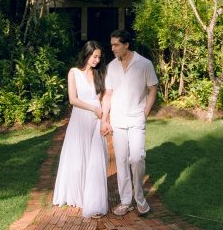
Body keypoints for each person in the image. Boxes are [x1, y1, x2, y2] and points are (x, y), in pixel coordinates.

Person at [101, 29, 158, 217]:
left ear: (126, 44)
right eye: (111, 45)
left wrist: (146, 112)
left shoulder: (144, 64)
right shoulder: (111, 67)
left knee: (137, 158)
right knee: (122, 161)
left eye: (116, 44)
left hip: (136, 119)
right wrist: (105, 119)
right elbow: (108, 95)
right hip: (117, 120)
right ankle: (126, 201)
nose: (112, 48)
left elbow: (152, 89)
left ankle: (140, 199)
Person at [53, 40, 109, 218]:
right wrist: (93, 108)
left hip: (96, 119)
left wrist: (104, 119)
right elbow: (73, 99)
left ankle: (91, 196)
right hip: (80, 118)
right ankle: (75, 194)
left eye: (99, 57)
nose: (97, 60)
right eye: (94, 56)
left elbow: (103, 99)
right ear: (86, 54)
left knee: (94, 158)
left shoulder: (100, 74)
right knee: (77, 158)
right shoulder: (74, 73)